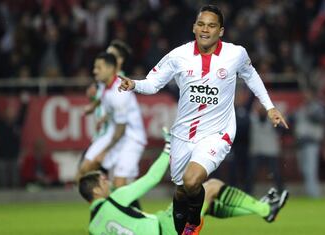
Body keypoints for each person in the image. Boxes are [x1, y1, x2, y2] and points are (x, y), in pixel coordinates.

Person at [117, 5, 288, 234]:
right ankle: (184, 230)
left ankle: (194, 223)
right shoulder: (178, 56)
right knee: (181, 191)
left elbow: (252, 76)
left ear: (221, 31)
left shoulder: (235, 54)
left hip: (217, 133)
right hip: (183, 133)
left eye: (211, 25)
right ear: (193, 27)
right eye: (201, 24)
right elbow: (153, 83)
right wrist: (134, 84)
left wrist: (270, 107)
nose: (205, 30)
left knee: (192, 179)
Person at [79, 129, 289, 235]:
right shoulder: (113, 199)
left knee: (207, 204)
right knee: (210, 187)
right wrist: (168, 147)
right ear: (97, 190)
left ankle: (264, 207)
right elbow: (151, 179)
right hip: (169, 229)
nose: (109, 183)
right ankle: (264, 209)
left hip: (164, 223)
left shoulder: (92, 228)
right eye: (104, 180)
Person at [81, 53, 147, 191]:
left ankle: (133, 210)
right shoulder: (106, 85)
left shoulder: (119, 94)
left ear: (111, 69)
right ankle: (107, 201)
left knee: (119, 184)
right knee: (86, 168)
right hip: (117, 135)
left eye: (98, 68)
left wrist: (104, 152)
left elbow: (120, 130)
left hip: (131, 138)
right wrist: (93, 107)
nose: (95, 71)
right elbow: (103, 98)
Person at [0, 91, 29, 188]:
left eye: (12, 112)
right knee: (2, 181)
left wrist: (25, 103)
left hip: (14, 157)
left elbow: (23, 115)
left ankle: (16, 200)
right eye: (8, 112)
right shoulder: (1, 125)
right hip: (2, 156)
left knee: (15, 180)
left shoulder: (17, 124)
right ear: (5, 113)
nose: (10, 114)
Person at [294, 89, 325, 198]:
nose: (306, 96)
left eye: (308, 94)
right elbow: (294, 120)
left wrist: (310, 113)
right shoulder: (302, 108)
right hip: (301, 143)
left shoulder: (317, 107)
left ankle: (314, 194)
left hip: (312, 142)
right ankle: (310, 192)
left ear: (313, 96)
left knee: (310, 170)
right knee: (303, 169)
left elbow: (321, 118)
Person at [247, 101, 284, 194]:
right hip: (257, 150)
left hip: (271, 151)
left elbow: (282, 130)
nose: (262, 110)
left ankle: (281, 192)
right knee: (251, 174)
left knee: (276, 174)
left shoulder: (273, 119)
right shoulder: (252, 118)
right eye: (260, 108)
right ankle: (247, 193)